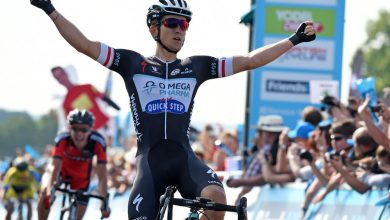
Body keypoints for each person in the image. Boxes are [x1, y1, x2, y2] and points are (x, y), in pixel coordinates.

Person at [30, 0, 316, 219]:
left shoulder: (196, 66)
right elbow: (85, 45)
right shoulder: (131, 63)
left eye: (185, 25)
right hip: (150, 164)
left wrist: (294, 39)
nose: (180, 30)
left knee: (217, 198)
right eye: (172, 23)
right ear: (154, 27)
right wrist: (50, 9)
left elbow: (249, 61)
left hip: (184, 159)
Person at [36, 109, 110, 220]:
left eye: (84, 130)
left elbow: (102, 175)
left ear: (90, 130)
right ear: (70, 129)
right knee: (45, 191)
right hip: (61, 171)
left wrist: (104, 202)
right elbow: (54, 167)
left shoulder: (98, 142)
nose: (79, 134)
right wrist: (49, 191)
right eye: (75, 129)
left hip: (81, 178)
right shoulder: (62, 138)